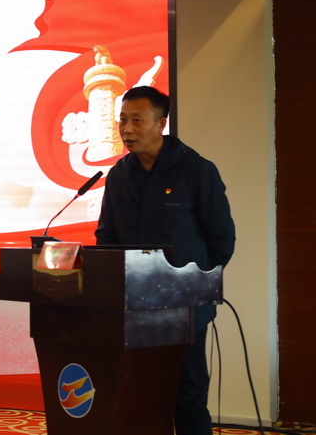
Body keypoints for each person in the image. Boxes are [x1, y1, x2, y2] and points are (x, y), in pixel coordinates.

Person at [95, 85, 235, 435]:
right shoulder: (119, 175)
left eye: (136, 120)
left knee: (187, 396)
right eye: (122, 120)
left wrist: (198, 286)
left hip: (183, 307)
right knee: (138, 397)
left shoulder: (196, 171)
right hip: (132, 306)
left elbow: (222, 240)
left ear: (161, 124)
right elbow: (107, 236)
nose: (126, 129)